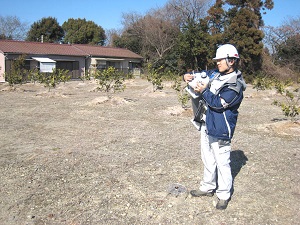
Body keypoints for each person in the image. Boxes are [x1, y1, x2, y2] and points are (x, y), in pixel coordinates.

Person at [183, 44, 246, 210]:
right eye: (217, 60)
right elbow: (201, 75)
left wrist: (204, 91)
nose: (217, 63)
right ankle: (207, 187)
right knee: (207, 158)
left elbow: (218, 104)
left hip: (220, 128)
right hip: (207, 123)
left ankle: (223, 194)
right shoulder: (216, 74)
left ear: (231, 61)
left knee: (222, 162)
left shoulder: (235, 85)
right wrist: (189, 76)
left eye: (220, 60)